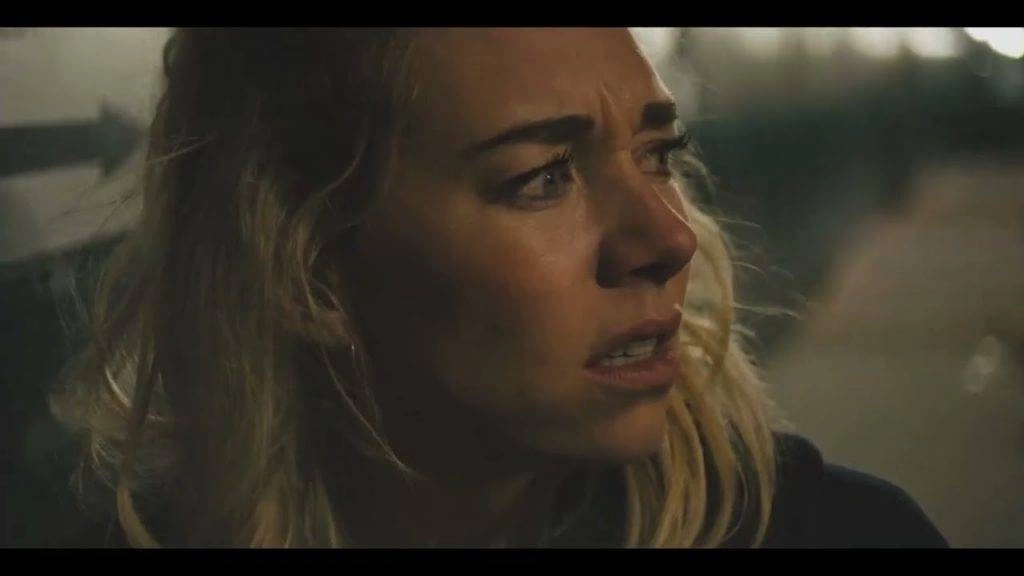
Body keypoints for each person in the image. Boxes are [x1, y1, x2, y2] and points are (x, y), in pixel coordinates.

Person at [48, 27, 948, 548]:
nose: (670, 239)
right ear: (307, 267)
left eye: (658, 153)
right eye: (543, 177)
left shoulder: (842, 533)